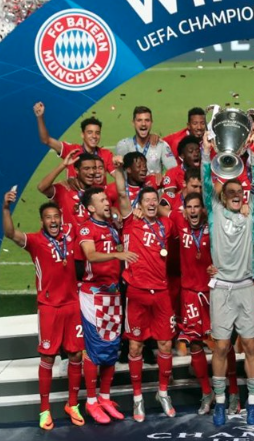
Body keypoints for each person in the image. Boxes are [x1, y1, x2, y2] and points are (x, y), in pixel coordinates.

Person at [2, 191, 84, 430]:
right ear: (42, 221)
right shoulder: (35, 241)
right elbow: (10, 233)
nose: (53, 220)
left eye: (56, 216)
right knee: (47, 357)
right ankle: (45, 409)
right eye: (49, 217)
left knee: (76, 355)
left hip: (72, 305)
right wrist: (6, 208)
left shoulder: (70, 235)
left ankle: (72, 404)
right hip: (49, 308)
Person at [201, 127, 254, 426]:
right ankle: (221, 403)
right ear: (223, 198)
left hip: (246, 288)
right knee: (222, 347)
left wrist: (253, 153)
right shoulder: (214, 214)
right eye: (231, 193)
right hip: (221, 290)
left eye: (240, 193)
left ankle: (252, 404)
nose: (237, 196)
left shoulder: (251, 216)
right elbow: (205, 184)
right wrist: (206, 153)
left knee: (250, 346)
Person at [113, 167, 178, 422]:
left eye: (154, 200)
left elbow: (172, 214)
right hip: (137, 293)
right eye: (146, 200)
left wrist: (158, 207)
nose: (151, 203)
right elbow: (121, 192)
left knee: (165, 345)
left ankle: (163, 393)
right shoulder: (131, 221)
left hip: (161, 292)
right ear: (138, 205)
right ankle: (137, 398)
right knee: (135, 346)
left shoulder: (167, 225)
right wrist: (118, 169)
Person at [78, 187, 137, 423]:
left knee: (112, 348)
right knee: (95, 349)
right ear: (90, 207)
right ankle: (91, 401)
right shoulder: (86, 227)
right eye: (101, 200)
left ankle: (104, 397)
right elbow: (90, 255)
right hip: (93, 296)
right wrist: (116, 255)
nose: (106, 202)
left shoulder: (111, 226)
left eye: (105, 198)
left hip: (112, 294)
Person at [168, 192, 214, 415]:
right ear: (184, 210)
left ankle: (232, 392)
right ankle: (207, 392)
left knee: (222, 343)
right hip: (189, 293)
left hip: (213, 292)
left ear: (203, 209)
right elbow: (158, 212)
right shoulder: (178, 221)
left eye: (197, 207)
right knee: (195, 343)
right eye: (190, 207)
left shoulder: (213, 225)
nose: (193, 211)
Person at [34, 102, 117, 182]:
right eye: (90, 132)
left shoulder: (106, 154)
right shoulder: (71, 151)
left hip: (99, 192)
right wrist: (40, 117)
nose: (94, 136)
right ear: (82, 135)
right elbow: (46, 140)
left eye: (97, 133)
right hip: (75, 192)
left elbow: (118, 176)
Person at [37, 151, 97, 225]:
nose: (91, 172)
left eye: (94, 168)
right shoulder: (65, 189)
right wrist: (63, 165)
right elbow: (42, 187)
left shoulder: (99, 192)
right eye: (86, 168)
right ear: (76, 170)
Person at [116, 106, 177, 175]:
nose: (143, 124)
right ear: (133, 123)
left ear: (151, 123)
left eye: (147, 120)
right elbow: (120, 168)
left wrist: (162, 178)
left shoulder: (161, 145)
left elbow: (174, 171)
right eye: (139, 120)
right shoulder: (123, 145)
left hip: (154, 182)